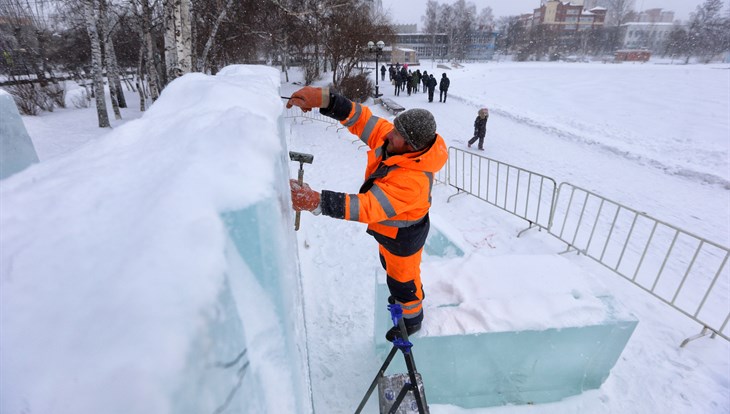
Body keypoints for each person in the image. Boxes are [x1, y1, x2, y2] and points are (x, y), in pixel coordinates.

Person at [286, 86, 448, 341]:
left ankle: (412, 320)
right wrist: (324, 100)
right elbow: (362, 120)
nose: (389, 134)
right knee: (394, 269)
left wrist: (317, 201)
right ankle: (412, 295)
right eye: (394, 128)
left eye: (397, 134)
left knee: (401, 282)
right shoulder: (397, 144)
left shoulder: (413, 181)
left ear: (411, 145)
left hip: (403, 237)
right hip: (390, 230)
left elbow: (366, 207)